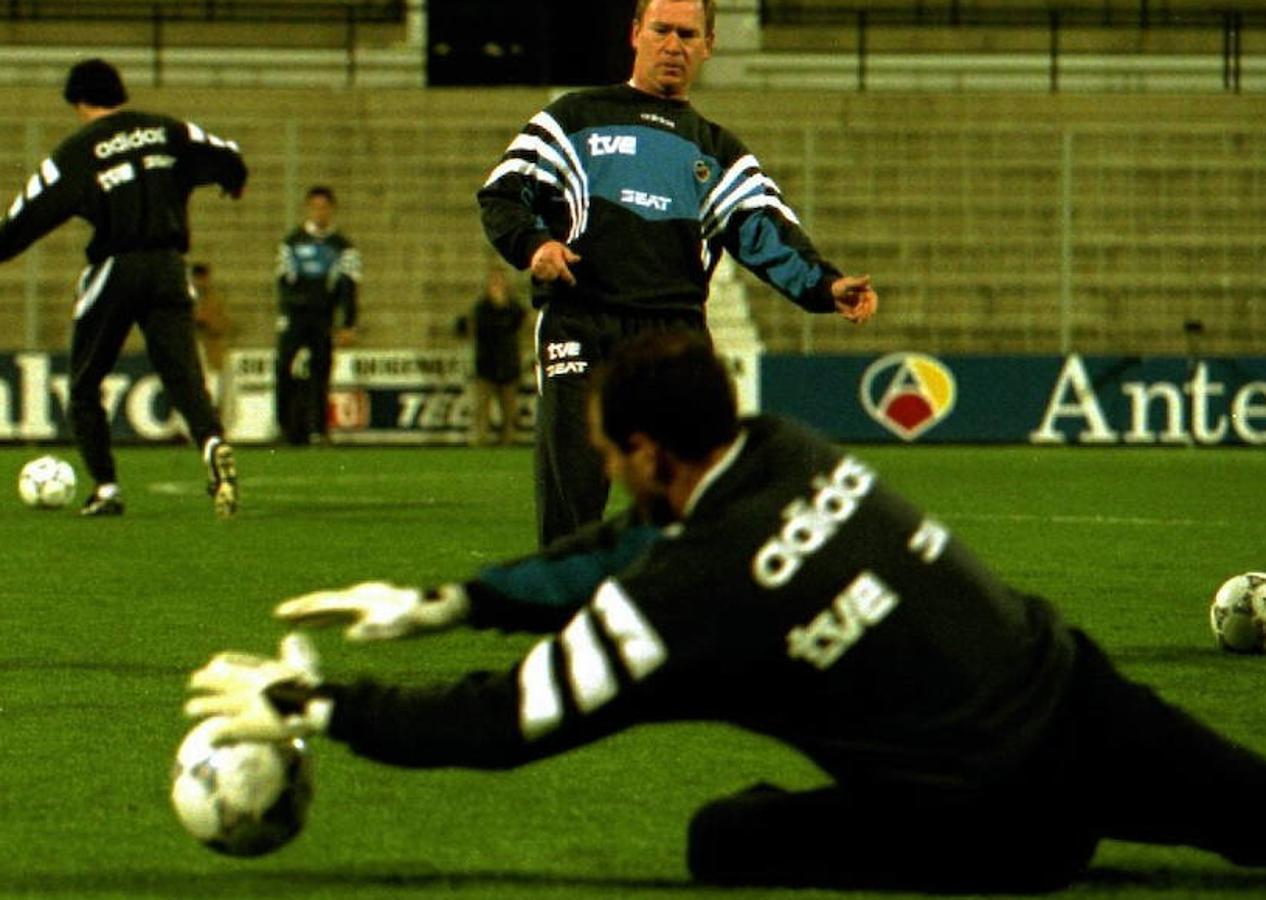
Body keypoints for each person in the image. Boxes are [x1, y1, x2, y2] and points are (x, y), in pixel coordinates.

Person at [187, 330, 1266, 893]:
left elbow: (506, 723)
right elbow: (621, 547)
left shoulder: (690, 601)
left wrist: (317, 705)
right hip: (1083, 699)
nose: (607, 468)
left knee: (727, 836)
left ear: (649, 456)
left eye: (612, 454)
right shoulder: (784, 448)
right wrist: (447, 603)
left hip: (995, 824)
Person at [477, 0, 879, 548]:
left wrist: (825, 285)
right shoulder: (572, 118)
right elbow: (503, 195)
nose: (673, 45)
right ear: (635, 33)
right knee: (573, 498)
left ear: (708, 45)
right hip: (581, 321)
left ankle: (683, 621)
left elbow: (763, 229)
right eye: (661, 30)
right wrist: (534, 245)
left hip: (674, 337)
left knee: (695, 504)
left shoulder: (717, 151)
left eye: (688, 35)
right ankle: (572, 620)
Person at [0, 58, 244, 518]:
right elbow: (224, 152)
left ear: (78, 101)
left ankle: (107, 488)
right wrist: (235, 181)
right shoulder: (167, 130)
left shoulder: (76, 151)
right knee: (183, 375)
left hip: (117, 266)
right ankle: (212, 441)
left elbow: (30, 209)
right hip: (171, 267)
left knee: (85, 383)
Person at [275, 185, 361, 446]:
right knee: (284, 368)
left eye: (324, 207)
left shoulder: (343, 247)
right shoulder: (292, 242)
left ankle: (317, 429)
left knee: (320, 373)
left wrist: (348, 324)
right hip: (295, 316)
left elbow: (350, 288)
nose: (319, 212)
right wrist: (286, 312)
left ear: (331, 210)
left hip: (323, 318)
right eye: (315, 207)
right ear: (308, 209)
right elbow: (282, 281)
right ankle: (285, 427)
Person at [460, 266, 527, 446]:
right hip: (486, 365)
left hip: (509, 365)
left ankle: (508, 441)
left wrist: (502, 305)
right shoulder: (481, 308)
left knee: (509, 411)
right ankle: (479, 440)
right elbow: (483, 328)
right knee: (481, 409)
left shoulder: (513, 307)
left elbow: (517, 321)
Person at [190, 261, 231, 407]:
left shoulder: (215, 300)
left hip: (211, 353)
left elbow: (224, 325)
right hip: (192, 353)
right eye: (198, 278)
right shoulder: (185, 299)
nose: (201, 282)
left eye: (203, 278)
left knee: (212, 390)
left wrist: (208, 320)